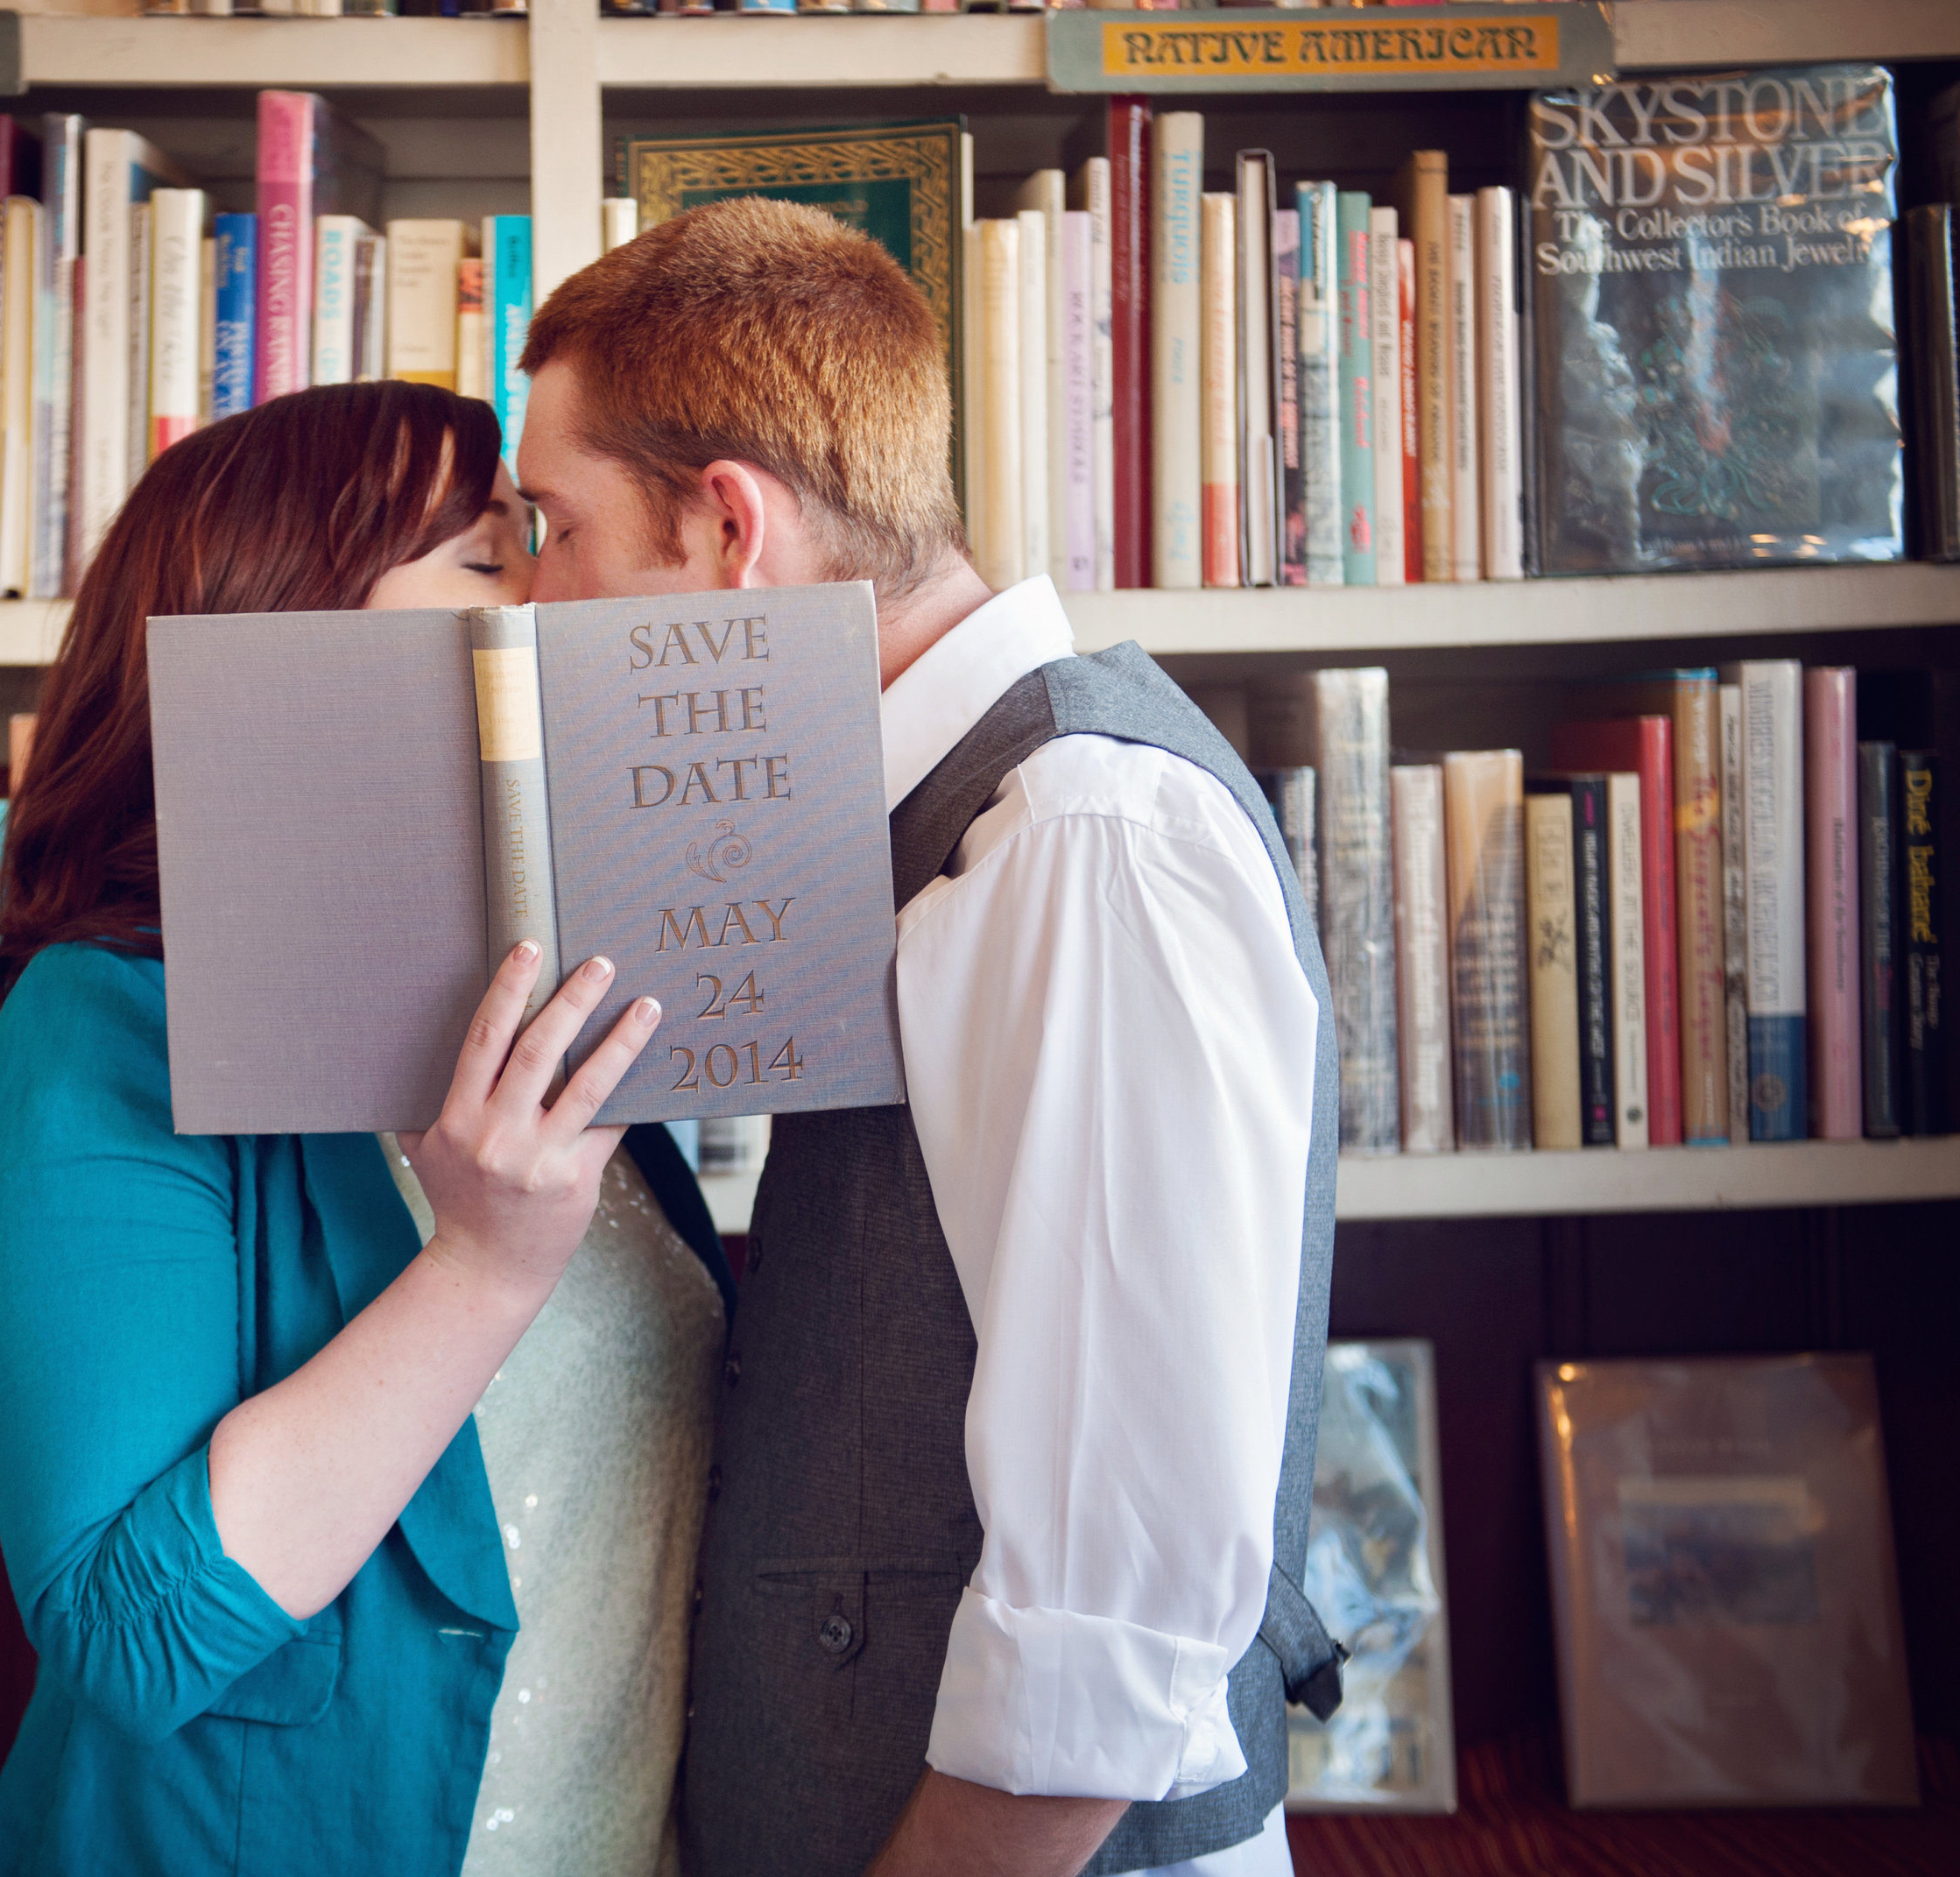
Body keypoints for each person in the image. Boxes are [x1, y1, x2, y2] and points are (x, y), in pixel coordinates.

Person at [516, 197, 1343, 1877]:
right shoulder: (952, 826)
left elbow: (1111, 1623)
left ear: (722, 530)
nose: (534, 598)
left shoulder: (1079, 835)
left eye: (554, 523)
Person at [0, 381, 735, 1876]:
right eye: (498, 561)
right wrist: (485, 1270)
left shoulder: (529, 994)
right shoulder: (96, 1042)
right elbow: (131, 1633)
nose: (552, 598)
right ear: (289, 634)